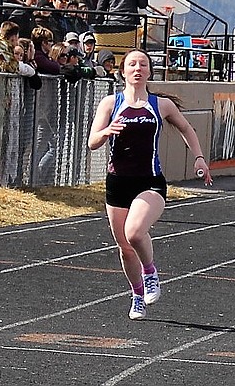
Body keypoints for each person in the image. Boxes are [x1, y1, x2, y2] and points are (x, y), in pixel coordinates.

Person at [87, 50, 213, 320]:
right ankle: (137, 295)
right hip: (118, 182)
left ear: (149, 72)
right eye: (131, 64)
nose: (137, 68)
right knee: (125, 247)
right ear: (122, 71)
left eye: (142, 64)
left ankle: (150, 272)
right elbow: (92, 142)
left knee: (134, 233)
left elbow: (186, 129)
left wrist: (199, 158)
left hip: (150, 182)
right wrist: (107, 131)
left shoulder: (161, 104)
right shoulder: (110, 103)